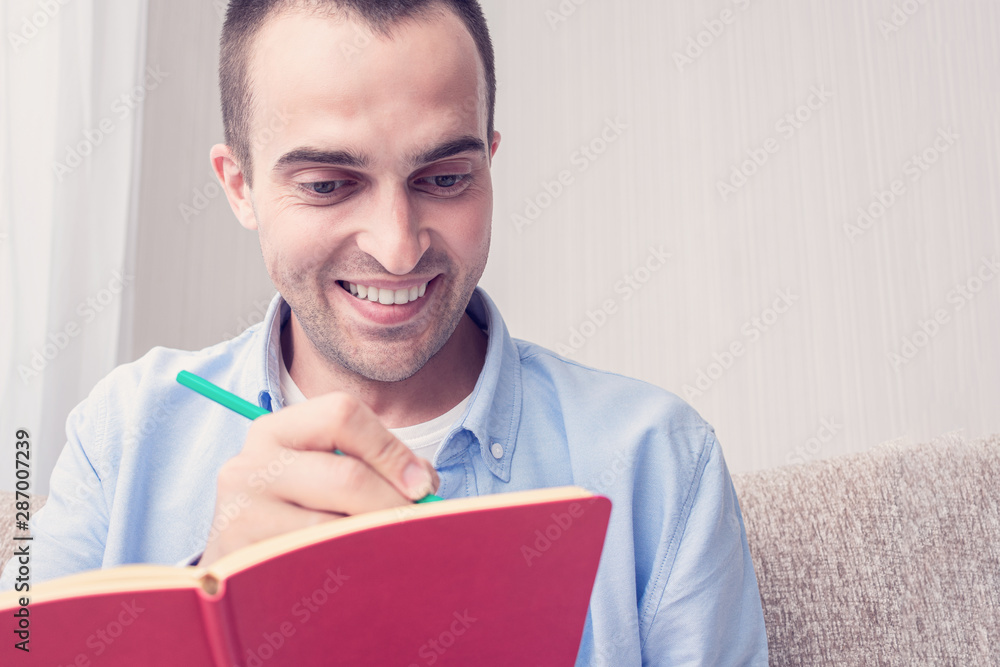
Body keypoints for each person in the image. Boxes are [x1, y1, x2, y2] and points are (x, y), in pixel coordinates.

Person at [1, 0, 768, 662]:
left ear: (490, 164)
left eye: (446, 178)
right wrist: (209, 607)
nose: (398, 247)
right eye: (328, 185)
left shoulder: (659, 461)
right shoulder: (120, 431)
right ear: (240, 186)